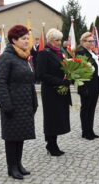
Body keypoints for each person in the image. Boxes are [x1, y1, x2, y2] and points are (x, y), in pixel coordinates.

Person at [0, 25, 37, 179]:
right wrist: (6, 105)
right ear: (14, 40)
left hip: (25, 102)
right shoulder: (6, 56)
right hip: (12, 104)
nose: (27, 41)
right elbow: (1, 82)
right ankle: (11, 167)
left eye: (28, 38)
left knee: (20, 135)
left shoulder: (24, 56)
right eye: (23, 39)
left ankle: (18, 163)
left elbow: (29, 81)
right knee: (11, 137)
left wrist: (34, 102)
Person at [36, 28, 71, 156]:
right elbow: (41, 74)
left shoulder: (60, 53)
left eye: (60, 40)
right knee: (52, 118)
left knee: (58, 118)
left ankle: (53, 143)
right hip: (50, 91)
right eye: (56, 40)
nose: (59, 43)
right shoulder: (43, 54)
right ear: (50, 40)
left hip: (61, 91)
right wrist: (59, 81)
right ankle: (51, 145)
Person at [76, 32, 99, 140]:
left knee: (92, 108)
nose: (92, 43)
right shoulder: (81, 53)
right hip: (87, 84)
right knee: (86, 108)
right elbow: (79, 71)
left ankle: (91, 130)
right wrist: (82, 87)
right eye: (90, 41)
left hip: (95, 83)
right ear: (83, 42)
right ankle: (85, 131)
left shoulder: (91, 52)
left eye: (93, 41)